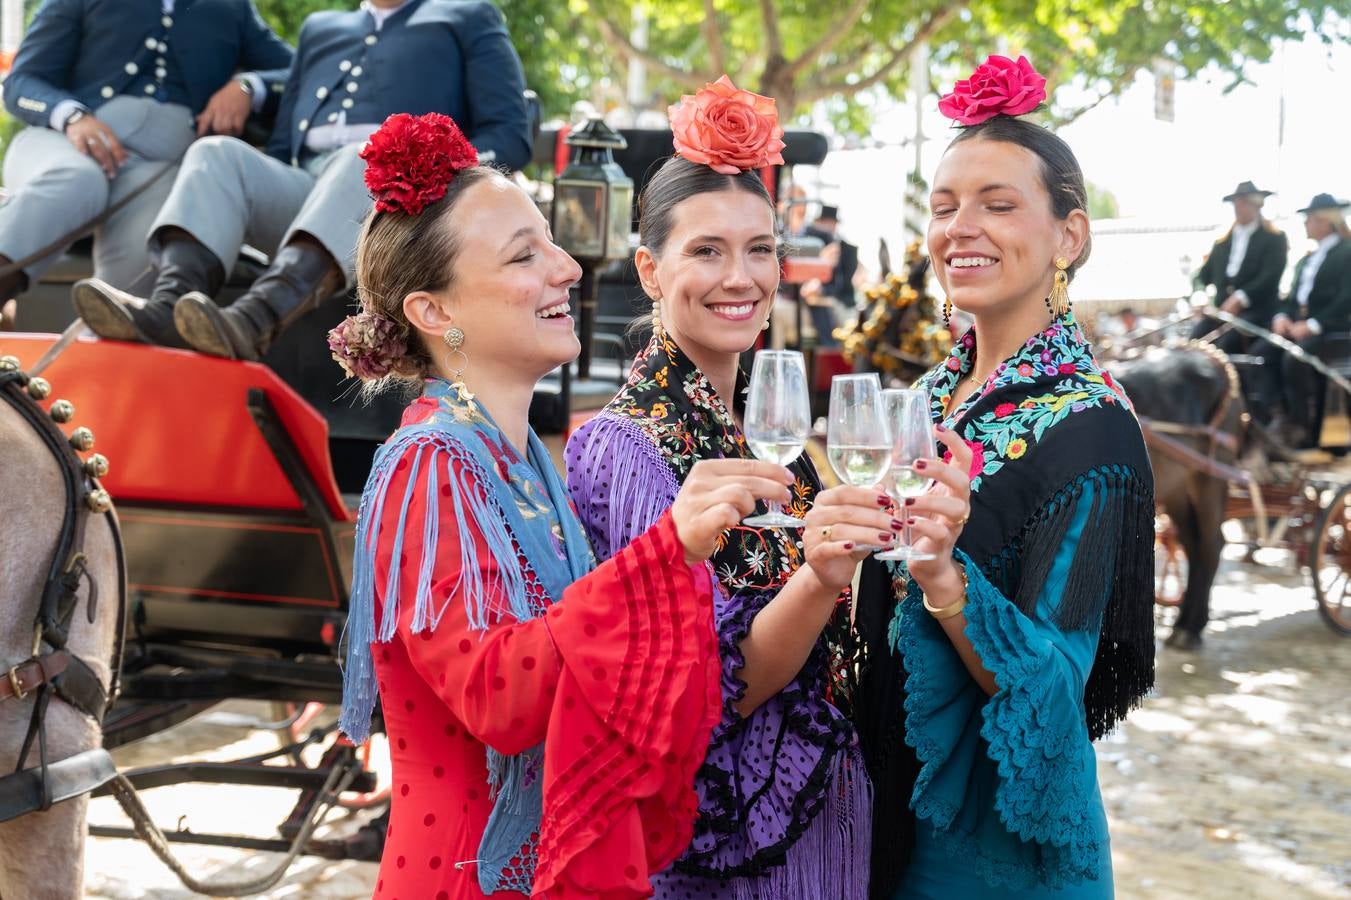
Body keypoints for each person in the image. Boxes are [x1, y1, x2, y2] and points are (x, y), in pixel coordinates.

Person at [332, 112, 798, 899]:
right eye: (525, 255)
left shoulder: (518, 462)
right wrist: (665, 552)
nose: (569, 269)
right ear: (433, 312)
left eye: (551, 241)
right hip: (467, 877)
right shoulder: (429, 464)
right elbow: (496, 696)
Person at [834, 55, 1156, 898]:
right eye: (943, 207)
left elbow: (1052, 685)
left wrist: (942, 575)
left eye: (997, 204)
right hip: (886, 800)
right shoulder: (929, 396)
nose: (958, 227)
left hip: (993, 844)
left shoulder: (1090, 429)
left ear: (1069, 236)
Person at [566, 76, 882, 899]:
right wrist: (819, 577)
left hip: (827, 831)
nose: (740, 278)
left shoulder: (774, 437)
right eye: (705, 250)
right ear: (648, 268)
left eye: (760, 249)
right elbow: (701, 688)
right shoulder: (623, 448)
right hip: (725, 857)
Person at [72, 0, 532, 360]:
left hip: (405, 215)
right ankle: (166, 310)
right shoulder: (322, 28)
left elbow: (510, 136)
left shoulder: (468, 16)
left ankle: (255, 321)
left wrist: (430, 167)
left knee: (361, 157)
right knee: (216, 155)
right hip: (310, 188)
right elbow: (283, 139)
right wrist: (250, 89)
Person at [0, 0, 292, 323]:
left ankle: (104, 360)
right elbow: (21, 81)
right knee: (78, 180)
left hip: (159, 171)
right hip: (63, 142)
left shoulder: (232, 7)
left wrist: (249, 86)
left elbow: (296, 71)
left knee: (146, 270)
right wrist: (72, 116)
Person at [1252, 193, 1351, 447]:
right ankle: (1278, 416)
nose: (1305, 224)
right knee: (1261, 353)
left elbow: (1345, 299)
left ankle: (1302, 428)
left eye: (1309, 219)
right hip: (1299, 329)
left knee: (1294, 359)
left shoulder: (1346, 252)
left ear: (1324, 221)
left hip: (1334, 331)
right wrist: (1283, 317)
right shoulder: (1305, 260)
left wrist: (1313, 325)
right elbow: (1291, 299)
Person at [1191, 180, 1289, 353]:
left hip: (1257, 311)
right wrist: (1199, 294)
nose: (1238, 207)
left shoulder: (1274, 238)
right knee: (1195, 339)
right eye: (1236, 203)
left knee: (1228, 343)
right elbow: (1202, 276)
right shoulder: (1221, 244)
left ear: (1257, 205)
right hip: (1221, 312)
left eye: (1244, 203)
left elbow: (1270, 276)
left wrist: (1240, 298)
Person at [800, 205, 859, 347]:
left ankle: (832, 348)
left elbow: (841, 285)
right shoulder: (809, 243)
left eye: (830, 223)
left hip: (839, 301)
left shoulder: (844, 249)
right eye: (824, 223)